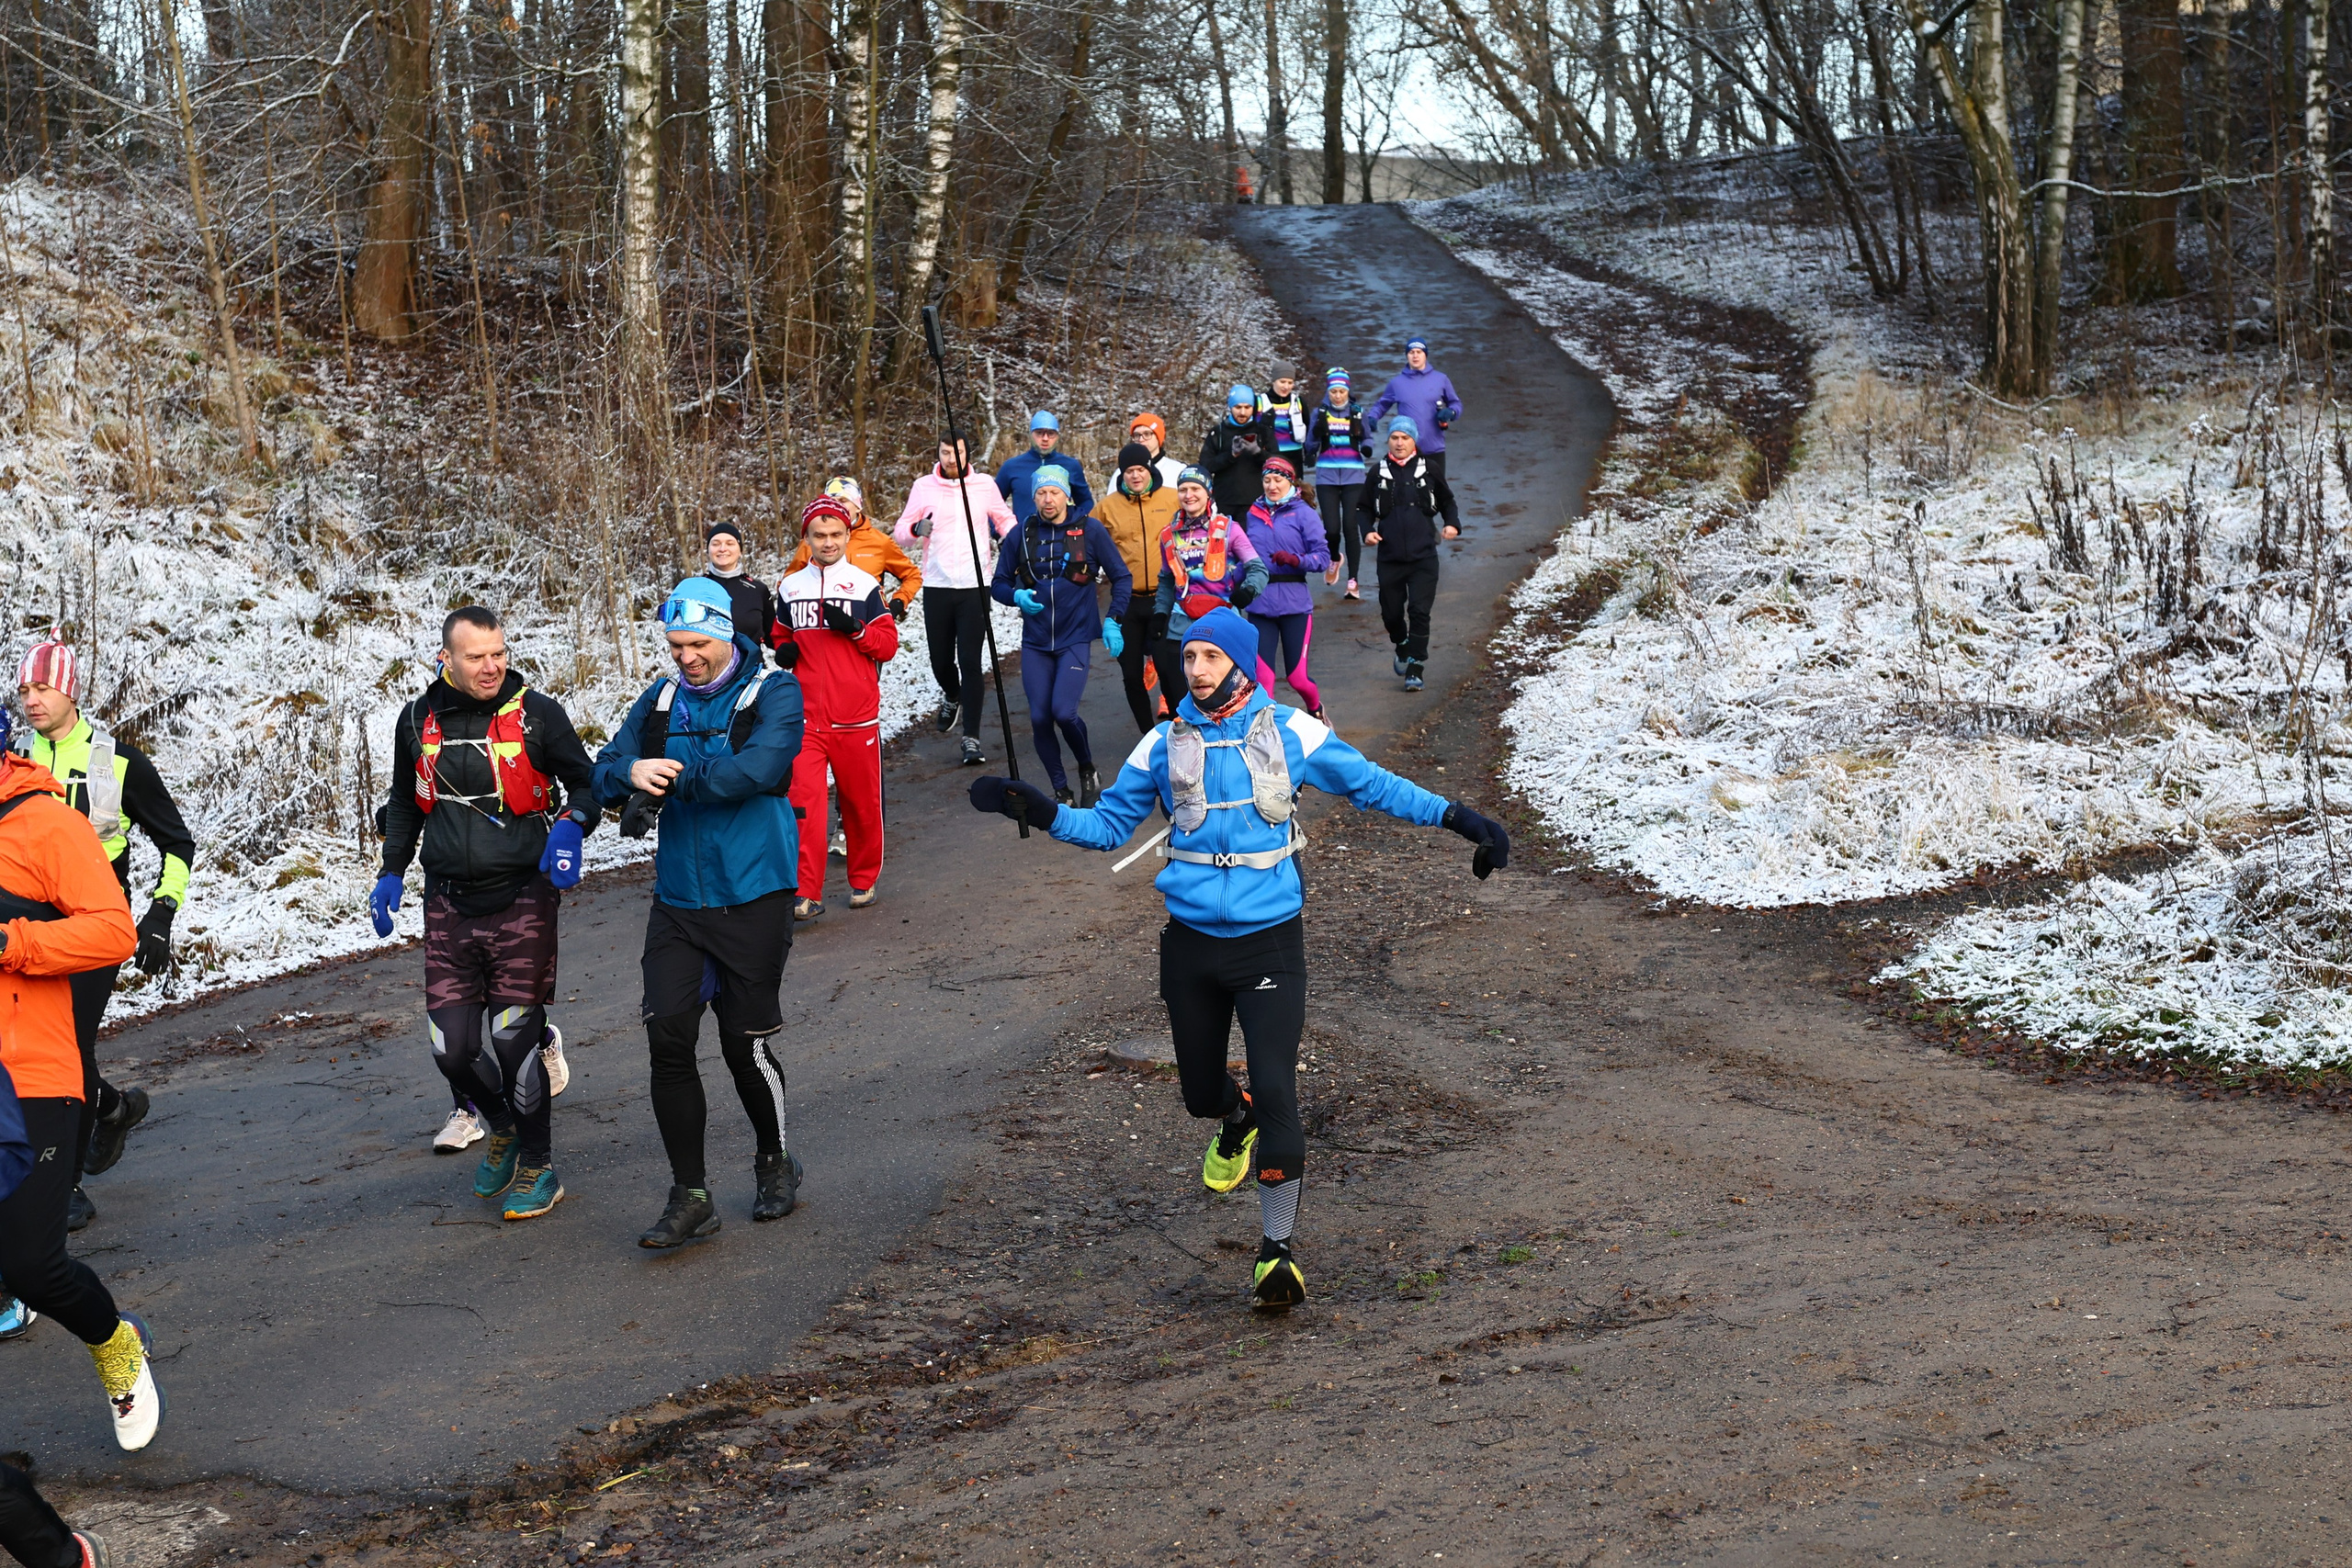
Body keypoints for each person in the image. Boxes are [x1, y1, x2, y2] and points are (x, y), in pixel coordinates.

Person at [966, 607, 1510, 1311]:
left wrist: (1461, 818)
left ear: (1241, 663)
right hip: (1191, 944)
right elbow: (1105, 828)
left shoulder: (1293, 731)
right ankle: (1235, 1114)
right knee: (1200, 1093)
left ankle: (1275, 1253)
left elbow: (1376, 785)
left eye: (1209, 658)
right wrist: (1040, 810)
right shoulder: (1160, 742)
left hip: (1269, 941)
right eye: (1187, 658)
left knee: (1281, 1087)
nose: (1194, 670)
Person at [591, 578, 806, 1247]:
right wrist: (628, 776)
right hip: (680, 900)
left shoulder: (773, 691)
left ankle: (775, 1159)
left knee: (746, 1044)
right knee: (668, 1039)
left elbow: (760, 770)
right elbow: (604, 766)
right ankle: (691, 1194)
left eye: (695, 644)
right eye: (674, 644)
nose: (684, 657)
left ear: (725, 634)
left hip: (754, 893)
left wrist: (675, 776)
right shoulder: (658, 702)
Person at [371, 607, 599, 1222]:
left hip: (523, 895)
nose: (491, 665)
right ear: (446, 658)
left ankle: (537, 1165)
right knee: (452, 1046)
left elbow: (586, 783)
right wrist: (392, 869)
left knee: (512, 1037)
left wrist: (573, 826)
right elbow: (403, 800)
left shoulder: (536, 714)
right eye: (476, 656)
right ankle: (499, 1125)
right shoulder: (417, 719)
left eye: (497, 651)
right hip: (448, 901)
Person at [0, 712, 157, 1447]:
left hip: (33, 1072)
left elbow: (112, 929)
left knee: (31, 1263)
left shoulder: (43, 822)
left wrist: (16, 940)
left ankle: (114, 1343)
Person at [14, 640, 193, 1235]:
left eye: (44, 687)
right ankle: (112, 1109)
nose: (32, 699)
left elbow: (178, 842)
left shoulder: (120, 762)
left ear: (72, 690)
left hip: (93, 925)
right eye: (25, 690)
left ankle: (64, 1190)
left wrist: (160, 915)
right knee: (35, 1053)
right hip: (29, 925)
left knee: (66, 1049)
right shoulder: (16, 756)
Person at [778, 497, 899, 919]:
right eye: (819, 535)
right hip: (806, 717)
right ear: (806, 538)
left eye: (835, 535)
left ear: (848, 536)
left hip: (855, 716)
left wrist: (856, 630)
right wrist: (784, 650)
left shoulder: (866, 585)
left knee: (860, 803)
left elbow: (887, 645)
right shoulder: (790, 587)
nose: (827, 543)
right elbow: (779, 635)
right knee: (804, 805)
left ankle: (863, 879)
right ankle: (805, 892)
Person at [989, 465, 1132, 806]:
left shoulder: (1090, 531)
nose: (1047, 499)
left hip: (1075, 637)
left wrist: (1113, 619)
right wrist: (1016, 596)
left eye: (1054, 492)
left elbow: (1122, 577)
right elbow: (999, 584)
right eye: (1041, 493)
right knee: (1039, 717)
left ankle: (1087, 768)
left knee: (1063, 713)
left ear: (1067, 495)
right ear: (1033, 496)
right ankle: (1060, 789)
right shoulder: (1022, 534)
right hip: (1036, 641)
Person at [894, 434, 1018, 765]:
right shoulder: (923, 487)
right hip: (937, 585)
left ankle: (971, 739)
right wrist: (916, 529)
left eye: (958, 452)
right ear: (938, 454)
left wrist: (1014, 539)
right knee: (940, 661)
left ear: (966, 454)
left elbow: (1003, 518)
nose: (952, 459)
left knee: (971, 662)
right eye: (946, 452)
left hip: (976, 587)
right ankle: (952, 694)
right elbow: (900, 531)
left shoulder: (983, 485)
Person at [1149, 468, 1269, 714]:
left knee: (1226, 698)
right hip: (1181, 625)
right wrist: (1160, 614)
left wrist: (1246, 593)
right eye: (1183, 489)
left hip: (1223, 622)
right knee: (1180, 701)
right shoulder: (1167, 534)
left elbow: (1258, 570)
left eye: (1195, 489)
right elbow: (1166, 580)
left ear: (1208, 493)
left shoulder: (1228, 529)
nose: (1188, 495)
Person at [1355, 418, 1461, 694]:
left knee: (1419, 611)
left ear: (1414, 440)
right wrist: (1367, 531)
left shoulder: (1430, 469)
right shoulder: (1378, 472)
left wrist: (1452, 523)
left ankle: (1416, 667)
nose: (1399, 443)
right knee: (1391, 614)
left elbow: (1447, 500)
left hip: (1423, 556)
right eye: (1394, 438)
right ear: (1388, 441)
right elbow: (1363, 508)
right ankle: (1402, 645)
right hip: (1389, 557)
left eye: (1405, 438)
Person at [1091, 443, 1178, 732]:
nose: (1136, 476)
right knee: (1130, 674)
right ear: (1122, 473)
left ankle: (1179, 727)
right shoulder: (1107, 507)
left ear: (1149, 469)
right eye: (1129, 471)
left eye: (1140, 469)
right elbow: (1083, 543)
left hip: (1164, 598)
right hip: (1126, 601)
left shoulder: (1173, 498)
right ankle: (1148, 735)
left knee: (1168, 669)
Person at [1239, 458, 1330, 719]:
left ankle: (1316, 710)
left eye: (1278, 480)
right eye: (1267, 480)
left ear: (1290, 481)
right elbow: (1245, 555)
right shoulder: (1253, 513)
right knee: (1263, 677)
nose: (1272, 486)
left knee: (1297, 678)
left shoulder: (1303, 513)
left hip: (1295, 604)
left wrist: (1296, 560)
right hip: (1260, 604)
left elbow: (1323, 557)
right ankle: (1266, 731)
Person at [1366, 337, 1464, 534]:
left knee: (1433, 491)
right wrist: (1372, 418)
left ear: (1425, 355)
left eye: (1419, 352)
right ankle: (1416, 532)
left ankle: (1431, 527)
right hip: (1407, 450)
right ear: (1407, 356)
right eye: (1411, 352)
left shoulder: (1440, 379)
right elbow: (1382, 404)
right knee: (1408, 492)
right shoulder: (1397, 383)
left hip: (1434, 446)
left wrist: (1450, 413)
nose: (1415, 355)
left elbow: (1456, 404)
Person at [1305, 367, 1373, 600]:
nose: (1337, 395)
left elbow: (1368, 437)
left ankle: (1353, 581)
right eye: (1334, 391)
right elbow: (1311, 443)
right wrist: (1313, 440)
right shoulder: (1320, 412)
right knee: (1331, 529)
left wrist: (1366, 446)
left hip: (1354, 475)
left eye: (1342, 391)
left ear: (1347, 391)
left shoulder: (1357, 412)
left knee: (1351, 527)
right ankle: (1334, 558)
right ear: (1328, 391)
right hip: (1327, 476)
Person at [1197, 385, 1275, 522]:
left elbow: (1278, 463)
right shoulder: (1218, 433)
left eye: (1247, 407)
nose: (1243, 412)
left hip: (1256, 500)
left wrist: (1258, 453)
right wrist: (1230, 455)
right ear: (1230, 407)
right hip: (1225, 501)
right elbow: (1205, 465)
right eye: (1238, 407)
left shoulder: (1263, 432)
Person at [996, 412, 1096, 517]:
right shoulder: (1012, 467)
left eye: (1051, 433)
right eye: (1039, 433)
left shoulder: (1071, 466)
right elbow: (993, 502)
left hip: (1061, 532)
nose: (1045, 439)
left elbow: (1085, 502)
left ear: (1057, 436)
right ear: (1030, 435)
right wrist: (1001, 530)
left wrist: (1078, 525)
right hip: (1023, 532)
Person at [702, 521, 778, 652]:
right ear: (708, 550)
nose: (722, 549)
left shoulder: (758, 590)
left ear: (740, 551)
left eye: (730, 543)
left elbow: (774, 637)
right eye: (716, 544)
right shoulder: (695, 588)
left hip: (751, 669)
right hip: (708, 670)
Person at [1258, 368, 1307, 474]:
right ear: (1274, 381)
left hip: (1295, 456)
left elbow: (1308, 426)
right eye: (1282, 382)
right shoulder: (1260, 401)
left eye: (1290, 383)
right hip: (1270, 455)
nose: (1286, 387)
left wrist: (1309, 453)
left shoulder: (1298, 401)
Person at [1125, 412, 1186, 489]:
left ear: (1158, 437)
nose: (1141, 439)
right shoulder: (1123, 473)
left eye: (1147, 434)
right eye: (1137, 435)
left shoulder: (1178, 471)